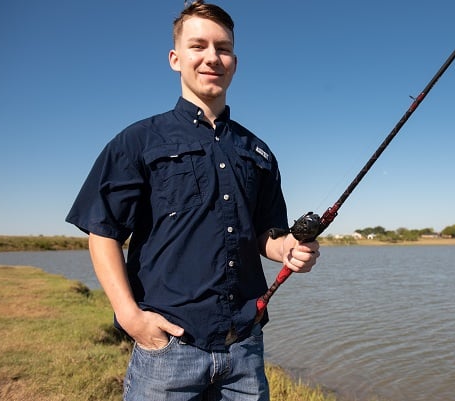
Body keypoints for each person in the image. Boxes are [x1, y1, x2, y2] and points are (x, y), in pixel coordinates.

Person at [66, 1, 320, 400]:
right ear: (175, 58)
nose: (212, 58)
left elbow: (265, 237)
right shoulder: (138, 141)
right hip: (167, 351)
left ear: (235, 61)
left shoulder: (259, 152)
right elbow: (103, 232)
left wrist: (289, 249)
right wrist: (131, 317)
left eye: (223, 48)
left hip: (245, 349)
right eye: (198, 46)